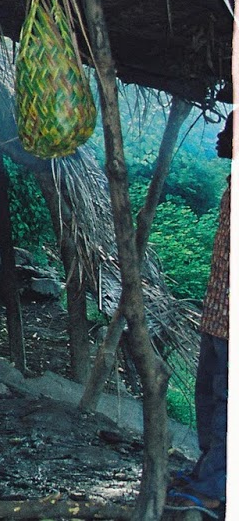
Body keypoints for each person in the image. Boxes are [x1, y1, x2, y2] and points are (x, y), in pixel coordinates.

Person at [170, 111, 231, 517]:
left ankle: (216, 489)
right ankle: (208, 473)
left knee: (229, 405)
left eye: (230, 131)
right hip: (217, 316)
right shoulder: (233, 184)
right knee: (209, 401)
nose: (221, 137)